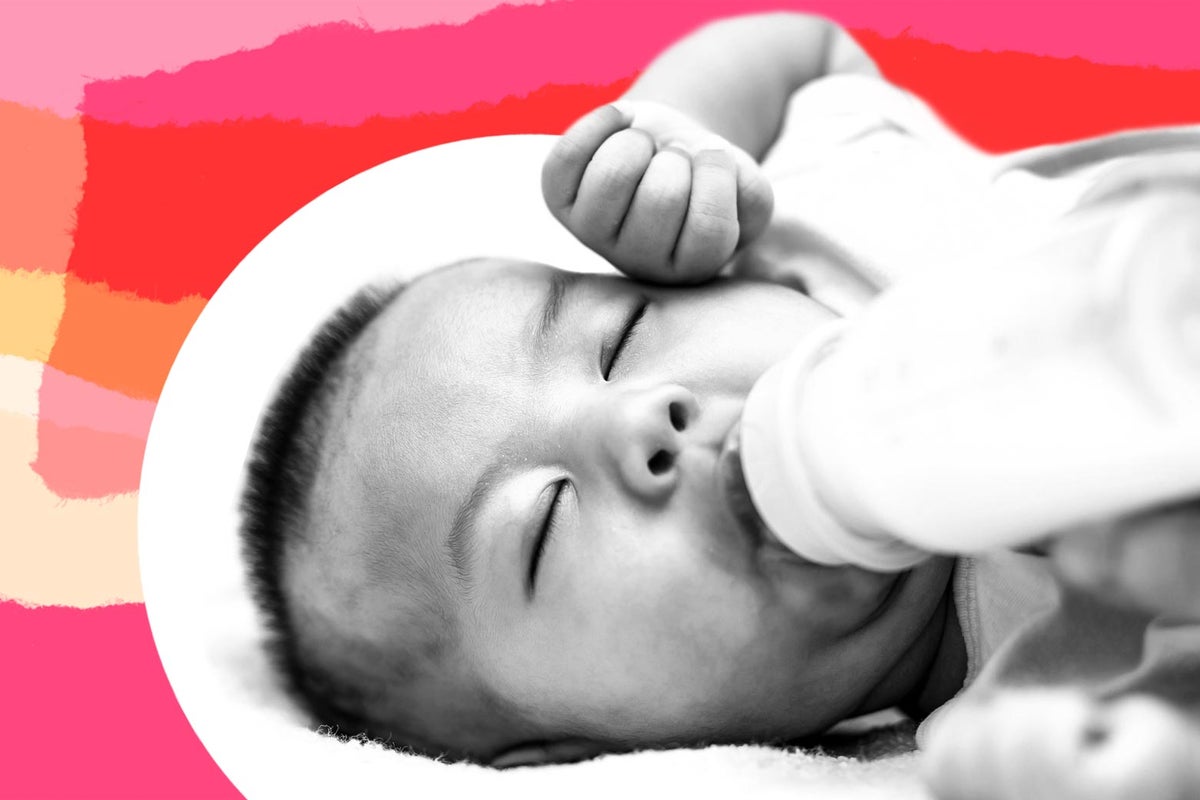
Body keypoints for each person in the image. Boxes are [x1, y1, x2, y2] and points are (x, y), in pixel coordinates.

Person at [240, 11, 1200, 796]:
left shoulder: (811, 219)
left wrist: (671, 134)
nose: (638, 421)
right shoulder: (1037, 699)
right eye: (544, 527)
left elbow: (803, 49)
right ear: (592, 756)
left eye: (617, 337)